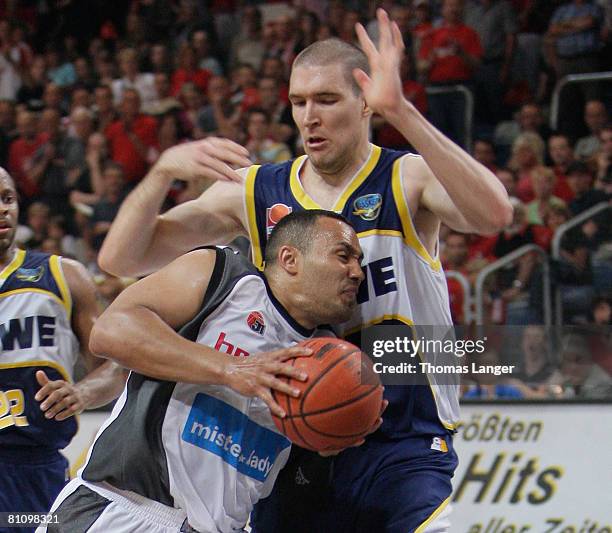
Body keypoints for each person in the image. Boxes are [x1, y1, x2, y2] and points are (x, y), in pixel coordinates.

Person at [99, 9, 512, 532]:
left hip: (401, 436)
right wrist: (160, 173)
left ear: (365, 103)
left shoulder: (404, 178)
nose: (309, 116)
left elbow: (494, 213)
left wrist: (402, 112)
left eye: (327, 100)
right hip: (296, 435)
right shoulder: (255, 191)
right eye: (298, 102)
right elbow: (121, 259)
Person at [42, 210, 380, 533]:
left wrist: (325, 444)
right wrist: (229, 367)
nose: (357, 272)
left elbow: (292, 488)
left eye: (359, 263)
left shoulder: (327, 354)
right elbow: (111, 331)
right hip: (124, 510)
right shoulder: (225, 275)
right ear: (290, 259)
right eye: (343, 256)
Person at [0, 168, 127, 532]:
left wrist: (82, 392)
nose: (2, 209)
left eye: (8, 198)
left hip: (36, 472)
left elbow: (116, 366)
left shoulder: (62, 275)